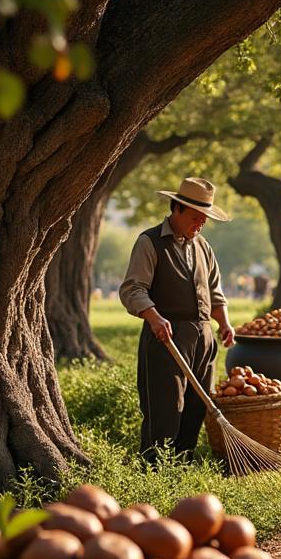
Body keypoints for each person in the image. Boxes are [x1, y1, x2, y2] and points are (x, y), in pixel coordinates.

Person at [118, 177, 235, 464]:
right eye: (196, 217)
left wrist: (224, 323)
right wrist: (154, 317)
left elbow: (214, 291)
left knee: (196, 407)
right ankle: (154, 468)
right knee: (165, 407)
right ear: (177, 208)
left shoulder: (203, 247)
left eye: (205, 219)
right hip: (166, 337)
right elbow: (133, 289)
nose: (201, 223)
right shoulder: (150, 242)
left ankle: (182, 466)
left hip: (203, 338)